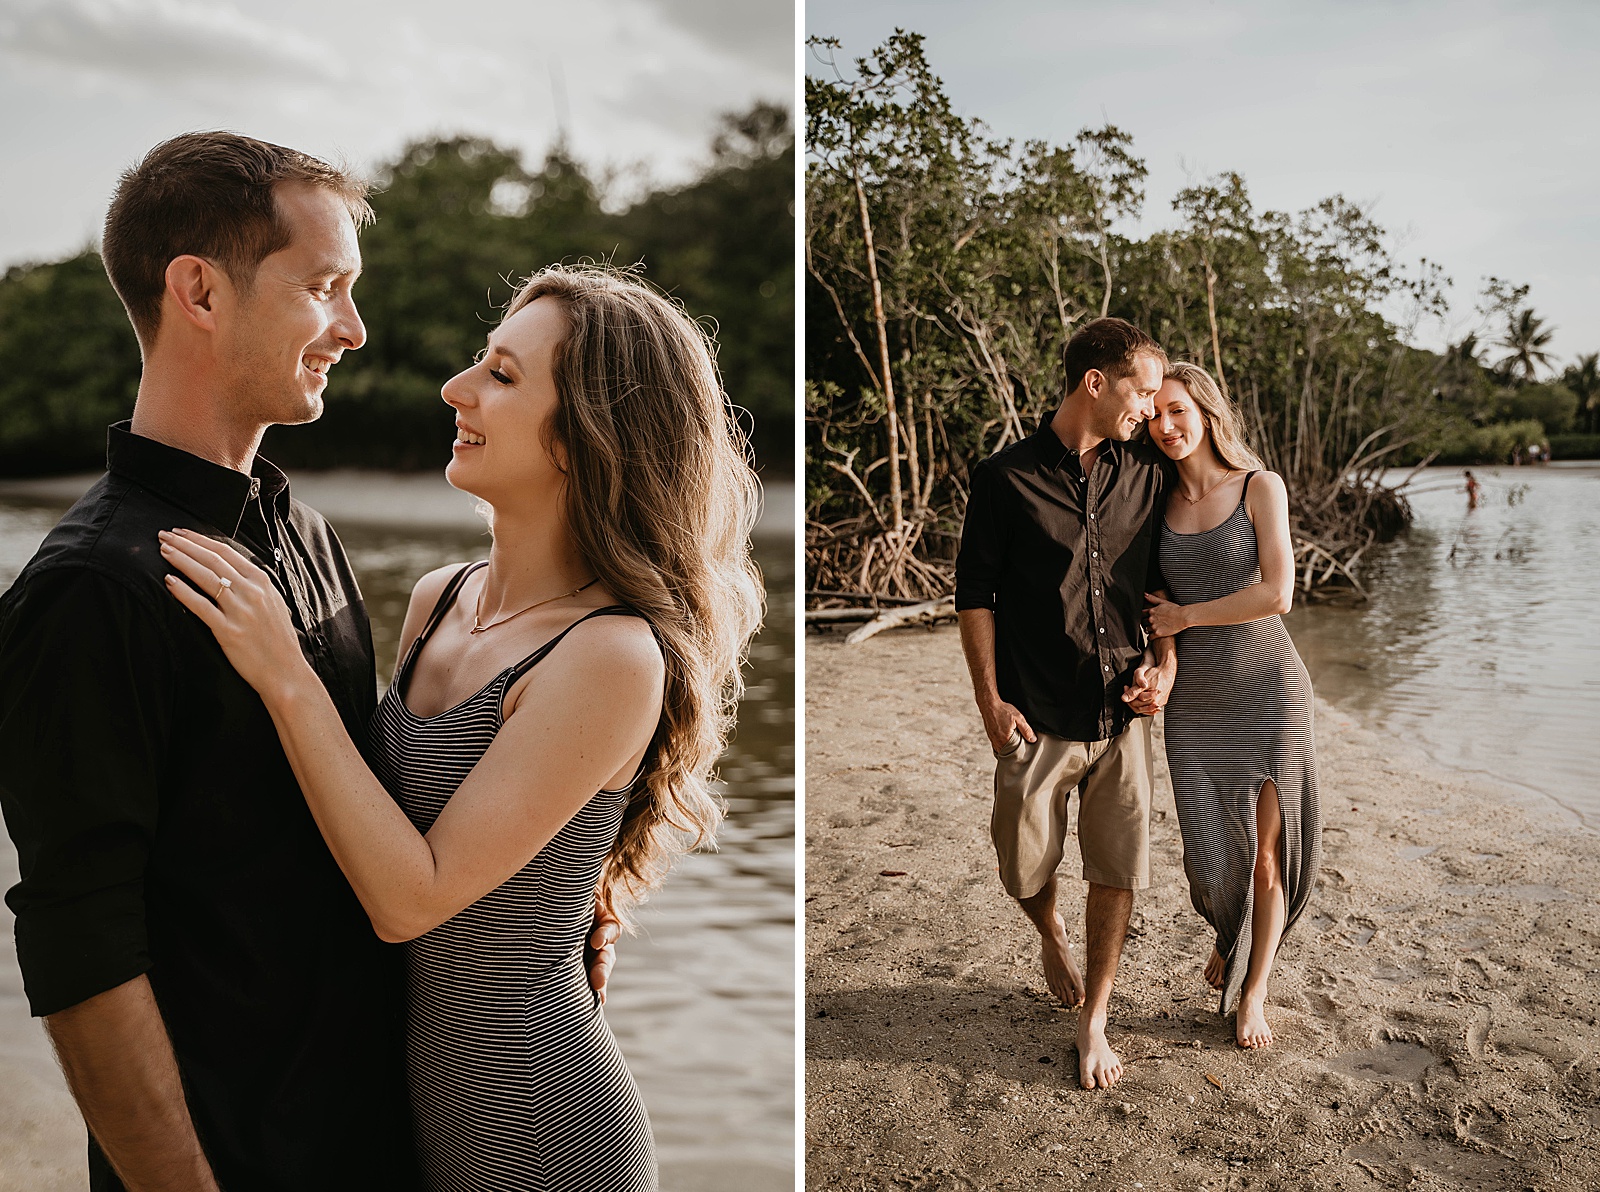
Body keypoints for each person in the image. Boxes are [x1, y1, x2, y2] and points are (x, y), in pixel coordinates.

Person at [0, 133, 612, 1191]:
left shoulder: (310, 539)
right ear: (198, 290)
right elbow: (79, 948)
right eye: (323, 287)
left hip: (381, 1136)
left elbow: (376, 801)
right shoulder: (90, 587)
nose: (355, 329)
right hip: (237, 1161)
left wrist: (571, 890)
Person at [158, 263, 763, 1190]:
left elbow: (412, 897)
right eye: (481, 362)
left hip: (542, 1132)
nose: (455, 387)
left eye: (504, 376)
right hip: (414, 1118)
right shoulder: (441, 600)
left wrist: (286, 671)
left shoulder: (610, 655)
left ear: (585, 437)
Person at [954, 317, 1177, 1092]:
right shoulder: (1003, 477)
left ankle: (1095, 1019)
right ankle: (1050, 931)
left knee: (1118, 868)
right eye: (1142, 391)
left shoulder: (1149, 474)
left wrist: (1166, 664)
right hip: (1035, 713)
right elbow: (974, 594)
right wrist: (988, 699)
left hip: (1122, 715)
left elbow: (1161, 596)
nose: (1149, 408)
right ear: (1096, 382)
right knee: (1021, 863)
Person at [1143, 361, 1322, 1049]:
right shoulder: (1154, 500)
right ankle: (1229, 931)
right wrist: (1162, 660)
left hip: (1271, 693)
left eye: (1178, 410)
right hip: (1195, 703)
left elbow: (1278, 593)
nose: (1165, 425)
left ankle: (1254, 991)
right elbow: (1150, 611)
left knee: (1266, 857)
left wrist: (1187, 618)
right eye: (1155, 414)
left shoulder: (1258, 486)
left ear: (1207, 411)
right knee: (1210, 857)